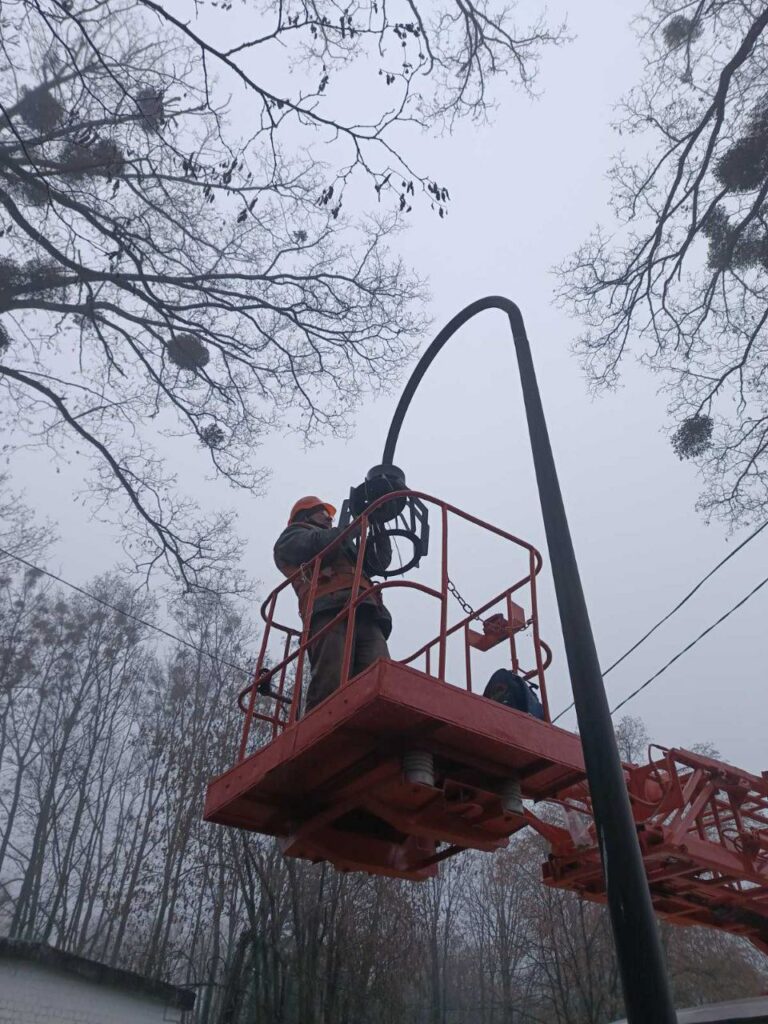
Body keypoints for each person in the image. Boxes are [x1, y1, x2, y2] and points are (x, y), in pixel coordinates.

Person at [273, 496, 392, 713]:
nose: (330, 518)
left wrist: (378, 523)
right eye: (324, 513)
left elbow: (378, 561)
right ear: (304, 516)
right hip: (328, 611)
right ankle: (316, 724)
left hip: (365, 608)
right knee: (331, 678)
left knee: (379, 675)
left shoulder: (343, 544)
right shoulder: (291, 538)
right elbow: (317, 544)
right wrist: (355, 526)